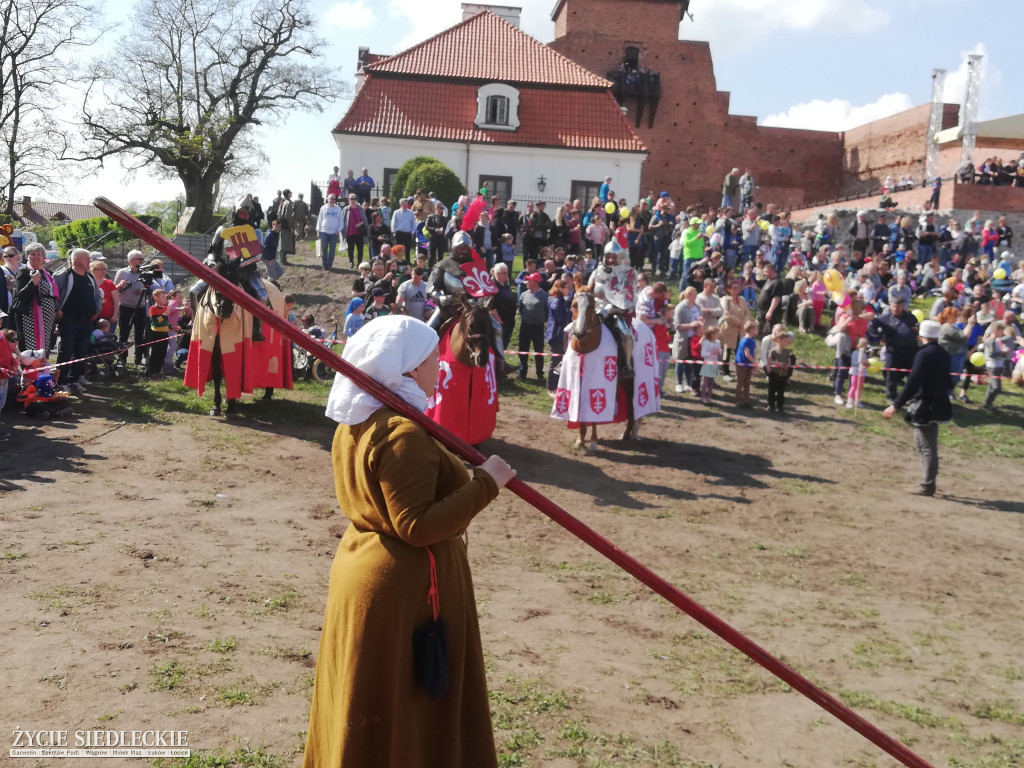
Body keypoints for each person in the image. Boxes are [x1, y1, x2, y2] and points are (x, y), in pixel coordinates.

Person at [306, 315, 514, 768]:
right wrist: (487, 483)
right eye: (432, 357)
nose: (439, 363)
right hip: (404, 593)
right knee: (402, 710)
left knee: (371, 701)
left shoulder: (358, 418)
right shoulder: (401, 433)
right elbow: (416, 526)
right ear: (408, 367)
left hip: (366, 573)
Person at [882, 320, 954, 496]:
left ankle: (927, 485)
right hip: (937, 401)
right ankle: (927, 481)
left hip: (927, 405)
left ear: (921, 335)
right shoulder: (943, 352)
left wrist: (895, 405)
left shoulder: (924, 354)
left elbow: (913, 382)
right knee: (921, 443)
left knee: (927, 446)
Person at [53, 248, 102, 391]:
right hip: (69, 320)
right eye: (86, 258)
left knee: (81, 351)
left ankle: (75, 379)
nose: (89, 261)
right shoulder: (63, 275)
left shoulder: (90, 277)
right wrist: (57, 310)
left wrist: (96, 311)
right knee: (66, 351)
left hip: (86, 321)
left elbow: (97, 296)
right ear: (76, 260)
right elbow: (54, 294)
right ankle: (61, 381)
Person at [12, 243, 60, 358]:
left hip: (47, 318)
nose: (36, 257)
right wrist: (33, 281)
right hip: (29, 317)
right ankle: (31, 367)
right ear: (27, 256)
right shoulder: (23, 272)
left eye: (39, 254)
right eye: (32, 254)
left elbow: (52, 294)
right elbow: (21, 295)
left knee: (46, 344)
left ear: (44, 257)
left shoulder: (47, 274)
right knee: (31, 347)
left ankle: (42, 365)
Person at [517, 272, 547, 381]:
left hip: (538, 327)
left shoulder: (544, 296)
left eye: (529, 280)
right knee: (522, 350)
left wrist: (541, 320)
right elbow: (520, 308)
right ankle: (522, 372)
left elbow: (547, 311)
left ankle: (539, 373)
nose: (527, 282)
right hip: (525, 326)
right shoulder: (524, 294)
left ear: (535, 282)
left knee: (538, 350)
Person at [545, 279, 571, 392]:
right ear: (560, 288)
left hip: (556, 334)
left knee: (558, 360)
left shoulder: (558, 300)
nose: (569, 290)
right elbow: (561, 319)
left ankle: (556, 385)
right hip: (556, 335)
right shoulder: (557, 302)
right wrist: (571, 312)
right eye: (566, 288)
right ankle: (551, 387)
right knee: (555, 361)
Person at [766, 328, 795, 415]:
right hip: (774, 373)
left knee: (781, 391)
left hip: (784, 374)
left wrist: (787, 364)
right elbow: (769, 361)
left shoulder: (787, 351)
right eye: (785, 341)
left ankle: (780, 406)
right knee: (772, 390)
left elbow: (789, 360)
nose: (786, 343)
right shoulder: (773, 351)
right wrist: (777, 363)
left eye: (787, 341)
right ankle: (771, 405)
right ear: (779, 340)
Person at [146, 288, 172, 379]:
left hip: (165, 334)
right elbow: (156, 322)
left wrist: (172, 327)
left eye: (166, 297)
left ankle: (158, 371)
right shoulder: (153, 308)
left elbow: (165, 323)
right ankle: (152, 372)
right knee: (155, 353)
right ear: (155, 298)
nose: (165, 299)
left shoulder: (165, 308)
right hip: (156, 334)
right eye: (163, 297)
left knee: (162, 353)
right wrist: (164, 314)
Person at [316, 194, 344, 270]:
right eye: (330, 198)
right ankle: (324, 264)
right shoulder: (323, 208)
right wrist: (318, 231)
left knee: (332, 250)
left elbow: (341, 221)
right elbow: (320, 220)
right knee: (324, 249)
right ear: (327, 199)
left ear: (335, 200)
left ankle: (330, 264)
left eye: (333, 199)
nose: (332, 200)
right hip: (324, 231)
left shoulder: (338, 209)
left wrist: (338, 230)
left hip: (334, 233)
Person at [735, 320, 757, 407]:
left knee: (747, 382)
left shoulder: (752, 340)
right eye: (756, 329)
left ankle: (746, 398)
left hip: (749, 364)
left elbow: (753, 353)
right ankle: (738, 399)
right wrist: (754, 362)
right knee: (740, 382)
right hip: (741, 365)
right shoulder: (745, 341)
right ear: (751, 330)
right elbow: (747, 354)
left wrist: (754, 363)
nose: (757, 330)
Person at [342, 194, 368, 269]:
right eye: (351, 198)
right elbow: (343, 220)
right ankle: (351, 262)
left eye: (354, 198)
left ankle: (359, 263)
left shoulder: (360, 208)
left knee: (360, 249)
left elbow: (365, 220)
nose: (353, 200)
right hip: (350, 232)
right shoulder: (346, 209)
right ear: (348, 199)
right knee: (350, 249)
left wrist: (360, 223)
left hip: (359, 232)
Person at [698, 324, 722, 405]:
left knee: (711, 382)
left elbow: (719, 351)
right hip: (707, 364)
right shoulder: (705, 343)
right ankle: (703, 397)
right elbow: (703, 354)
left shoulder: (718, 342)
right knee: (705, 382)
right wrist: (712, 352)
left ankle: (709, 397)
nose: (719, 334)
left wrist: (719, 351)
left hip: (714, 365)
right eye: (717, 333)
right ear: (712, 334)